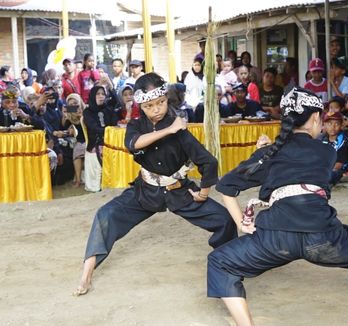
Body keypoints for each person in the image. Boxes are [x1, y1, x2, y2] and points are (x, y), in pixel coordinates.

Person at [207, 87, 348, 325]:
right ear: (316, 118)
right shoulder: (326, 152)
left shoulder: (269, 154)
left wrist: (242, 222)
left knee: (220, 261)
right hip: (323, 238)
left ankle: (245, 323)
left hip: (275, 240)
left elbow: (227, 186)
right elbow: (303, 165)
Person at [74, 72, 237, 296]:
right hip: (145, 191)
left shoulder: (179, 129)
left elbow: (208, 161)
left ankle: (228, 267)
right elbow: (133, 144)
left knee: (225, 220)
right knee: (105, 215)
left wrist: (204, 192)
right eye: (150, 105)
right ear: (141, 106)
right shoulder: (139, 125)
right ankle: (86, 274)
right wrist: (168, 130)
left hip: (178, 191)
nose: (157, 109)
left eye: (161, 102)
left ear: (167, 99)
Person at [82, 85, 119, 192]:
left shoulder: (108, 109)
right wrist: (108, 131)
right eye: (98, 94)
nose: (101, 96)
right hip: (96, 141)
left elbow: (116, 101)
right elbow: (94, 127)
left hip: (110, 140)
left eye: (103, 94)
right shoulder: (88, 111)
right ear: (93, 96)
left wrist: (110, 86)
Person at [321, 111, 348, 185]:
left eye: (337, 124)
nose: (333, 127)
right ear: (324, 125)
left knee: (330, 176)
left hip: (337, 169)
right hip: (323, 168)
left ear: (342, 126)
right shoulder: (322, 139)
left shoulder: (344, 142)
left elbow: (339, 164)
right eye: (329, 124)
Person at [65, 93, 86, 187]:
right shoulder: (69, 117)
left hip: (90, 140)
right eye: (71, 105)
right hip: (79, 142)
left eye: (75, 103)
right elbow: (65, 128)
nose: (73, 106)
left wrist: (82, 118)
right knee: (77, 151)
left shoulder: (87, 112)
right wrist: (65, 115)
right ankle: (78, 180)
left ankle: (78, 178)